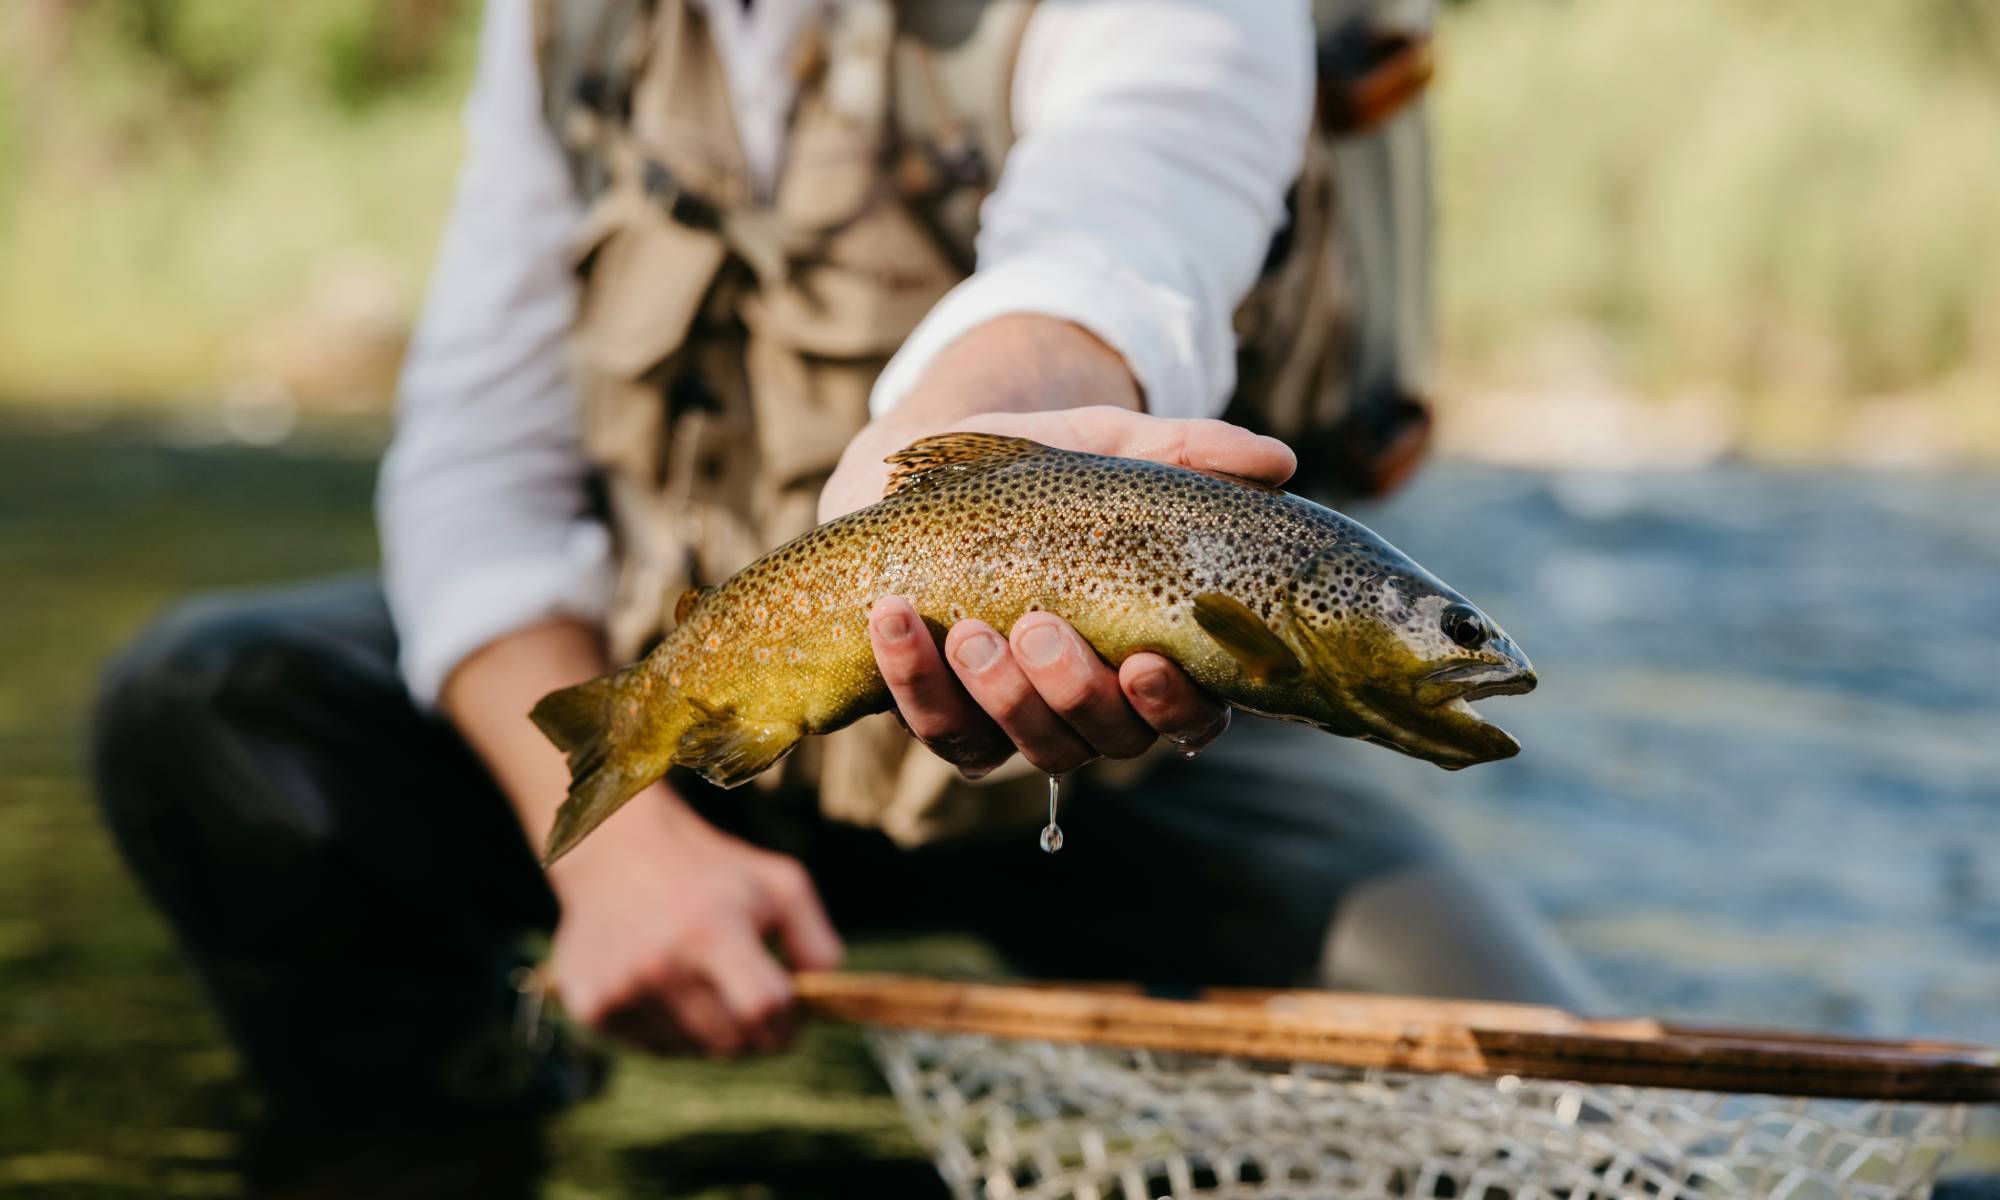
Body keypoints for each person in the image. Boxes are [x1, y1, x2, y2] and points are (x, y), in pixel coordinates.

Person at [91, 0, 1600, 1128]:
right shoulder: (565, 16)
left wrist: (971, 422)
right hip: (722, 706)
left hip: (1129, 763)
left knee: (1543, 1113)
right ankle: (453, 1135)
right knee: (210, 709)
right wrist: (622, 852)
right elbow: (475, 475)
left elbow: (1131, 218)